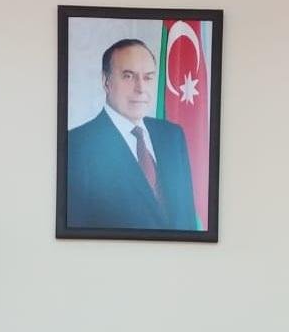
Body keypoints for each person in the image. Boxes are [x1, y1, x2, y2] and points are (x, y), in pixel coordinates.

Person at [66, 39, 197, 230]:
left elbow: (188, 218)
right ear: (106, 82)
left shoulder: (172, 136)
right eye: (128, 76)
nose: (141, 88)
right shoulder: (76, 145)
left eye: (148, 77)